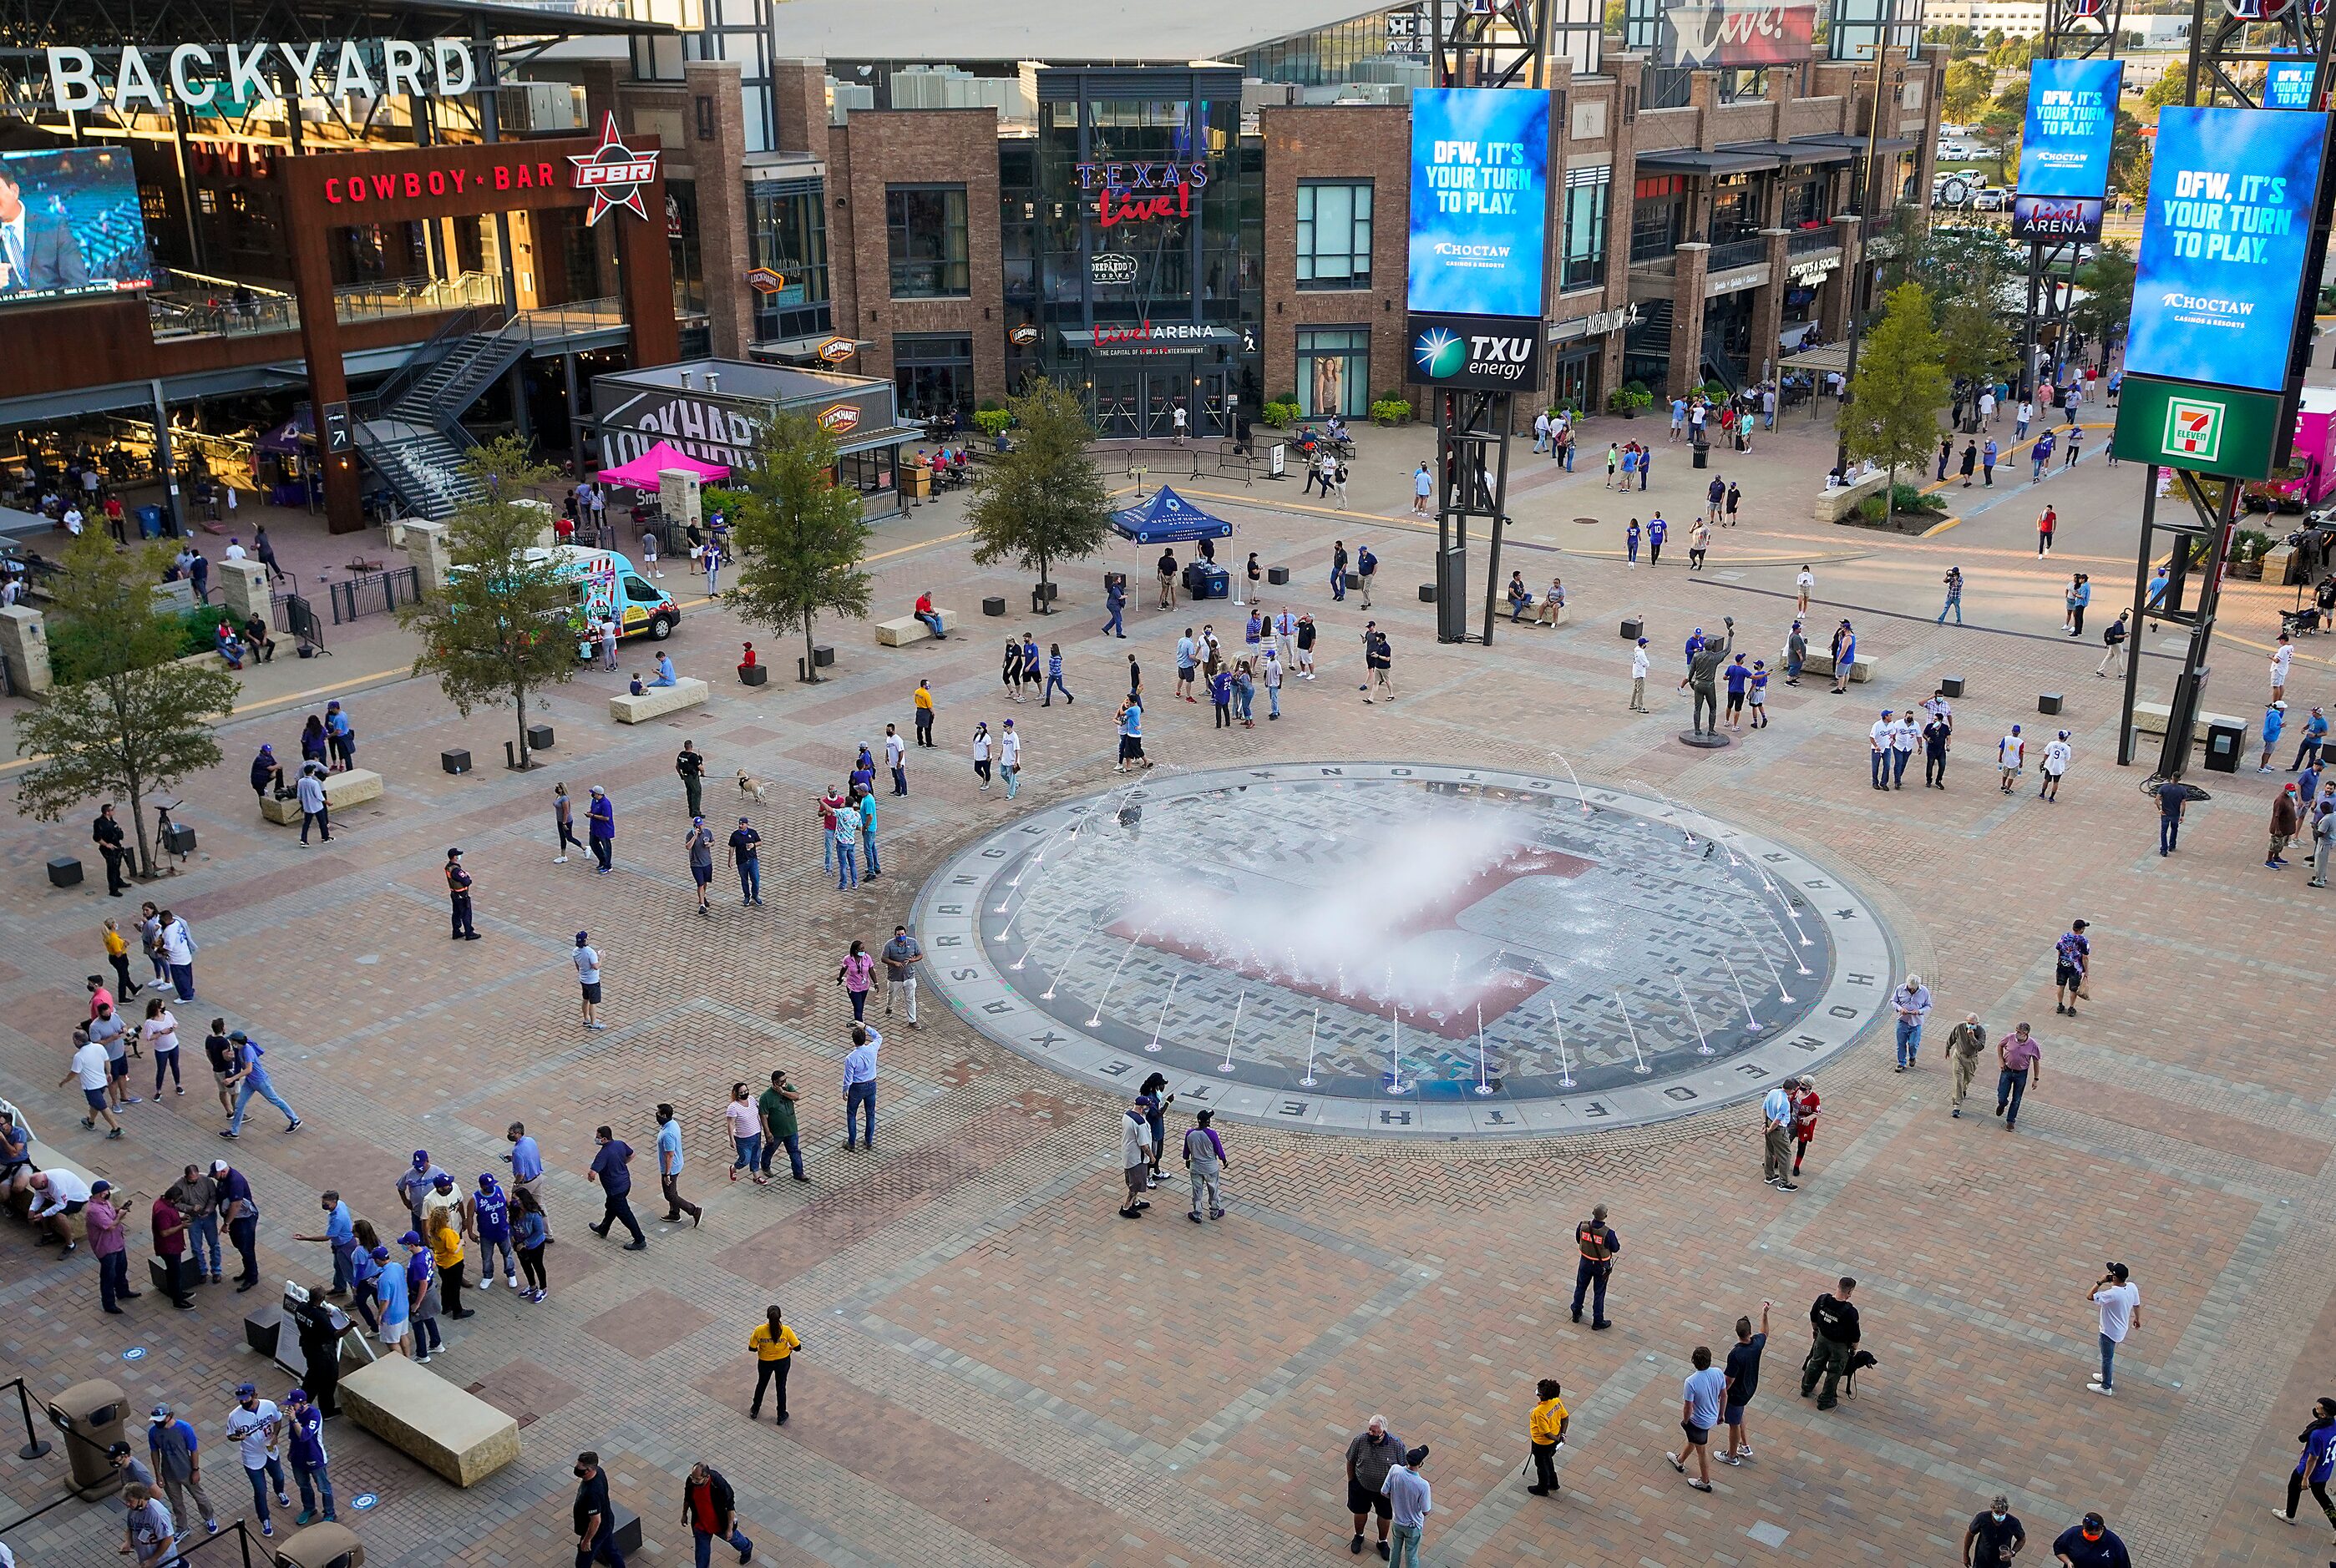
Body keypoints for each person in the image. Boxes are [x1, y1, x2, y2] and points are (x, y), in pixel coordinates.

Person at [224, 1383, 289, 1539]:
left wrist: (275, 1435)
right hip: (251, 1457)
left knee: (279, 1477)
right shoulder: (234, 1416)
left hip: (270, 1451)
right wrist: (237, 1438)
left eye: (247, 1399)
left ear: (255, 1395)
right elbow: (230, 1435)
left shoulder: (268, 1405)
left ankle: (280, 1493)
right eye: (241, 1399)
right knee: (260, 1490)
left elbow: (278, 1420)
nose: (243, 1402)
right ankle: (265, 1520)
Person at [145, 1404, 218, 1539]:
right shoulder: (153, 1432)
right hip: (168, 1473)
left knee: (199, 1497)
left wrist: (195, 1470)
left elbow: (194, 1450)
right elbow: (154, 1452)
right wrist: (158, 1473)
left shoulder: (184, 1428)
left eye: (160, 1419)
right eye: (155, 1420)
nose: (157, 1422)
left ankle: (209, 1518)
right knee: (176, 1503)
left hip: (187, 1470)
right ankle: (182, 1527)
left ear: (170, 1416)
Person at [1345, 1415, 1406, 1559]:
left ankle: (1382, 1541)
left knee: (1385, 1516)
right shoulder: (1360, 1440)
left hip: (1385, 1492)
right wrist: (1352, 1480)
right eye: (1370, 1430)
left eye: (1374, 1431)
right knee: (1359, 1512)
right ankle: (1359, 1536)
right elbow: (1350, 1461)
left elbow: (1402, 1469)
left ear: (1383, 1432)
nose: (1370, 1434)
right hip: (1361, 1487)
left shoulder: (1397, 1446)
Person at [1667, 1346, 1726, 1492]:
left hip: (1699, 1421)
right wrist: (1721, 1414)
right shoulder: (1718, 1372)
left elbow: (1688, 1407)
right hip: (1713, 1416)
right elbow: (1724, 1395)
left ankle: (1705, 1481)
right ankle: (1679, 1460)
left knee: (1702, 1450)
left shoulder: (1691, 1382)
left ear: (1693, 1361)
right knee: (1694, 1440)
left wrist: (1686, 1421)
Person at [2275, 1397, 2336, 1538]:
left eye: (2318, 1408)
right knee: (2322, 1498)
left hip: (2309, 1470)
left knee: (2293, 1485)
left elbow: (2312, 1459)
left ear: (2324, 1414)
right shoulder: (2333, 1425)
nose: (2315, 1409)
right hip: (2325, 1470)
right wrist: (2308, 1447)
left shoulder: (2317, 1434)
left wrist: (2305, 1478)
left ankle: (2290, 1514)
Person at [221, 1030, 300, 1139]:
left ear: (236, 1041)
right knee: (239, 1105)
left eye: (231, 1040)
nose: (230, 1041)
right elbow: (242, 1063)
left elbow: (249, 1069)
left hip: (261, 1082)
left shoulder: (247, 1050)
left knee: (275, 1100)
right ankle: (234, 1132)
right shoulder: (239, 1049)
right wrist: (232, 1058)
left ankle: (295, 1120)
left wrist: (232, 1079)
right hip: (250, 1082)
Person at [1720, 1302, 1771, 1465]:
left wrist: (1720, 1394)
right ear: (1750, 1332)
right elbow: (1765, 1332)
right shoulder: (1757, 1344)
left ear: (1737, 1333)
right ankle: (1745, 1445)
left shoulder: (1735, 1354)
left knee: (1733, 1424)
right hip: (1750, 1388)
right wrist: (1764, 1314)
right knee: (1739, 1414)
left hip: (1737, 1394)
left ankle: (1732, 1456)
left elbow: (1729, 1380)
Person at [1801, 1277, 1860, 1411]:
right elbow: (1855, 1335)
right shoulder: (1850, 1312)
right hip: (1839, 1346)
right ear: (1850, 1292)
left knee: (1816, 1363)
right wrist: (1853, 1349)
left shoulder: (1822, 1300)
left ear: (1838, 1286)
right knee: (1834, 1372)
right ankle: (1825, 1400)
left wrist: (1816, 1331)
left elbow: (1813, 1316)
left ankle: (1806, 1388)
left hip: (1822, 1339)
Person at [682, 1460, 755, 1567]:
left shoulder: (719, 1484)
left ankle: (747, 1547)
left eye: (697, 1479)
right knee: (701, 1556)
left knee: (735, 1539)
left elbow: (730, 1508)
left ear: (706, 1477)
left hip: (720, 1523)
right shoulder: (691, 1481)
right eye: (693, 1478)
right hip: (701, 1524)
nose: (694, 1481)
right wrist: (684, 1514)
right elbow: (687, 1498)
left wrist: (729, 1529)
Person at [587, 1125, 648, 1249]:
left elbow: (592, 1173)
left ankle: (639, 1239)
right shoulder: (620, 1144)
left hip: (615, 1190)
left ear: (604, 1139)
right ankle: (603, 1229)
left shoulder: (603, 1154)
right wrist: (621, 1163)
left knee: (625, 1214)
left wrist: (591, 1178)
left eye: (598, 1137)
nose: (596, 1139)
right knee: (610, 1207)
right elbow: (631, 1154)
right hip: (625, 1184)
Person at [2087, 1262, 2140, 1397]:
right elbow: (2137, 1304)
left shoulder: (2111, 1294)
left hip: (2108, 1331)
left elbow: (2090, 1296)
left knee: (2107, 1358)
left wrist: (2100, 1282)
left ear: (2114, 1277)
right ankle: (2106, 1376)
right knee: (2108, 1357)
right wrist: (2137, 1319)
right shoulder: (2132, 1287)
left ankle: (2106, 1386)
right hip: (2121, 1328)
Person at [283, 1388, 334, 1525]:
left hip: (314, 1457)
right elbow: (293, 1436)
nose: (290, 1407)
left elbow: (304, 1435)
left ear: (303, 1403)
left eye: (293, 1404)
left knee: (324, 1487)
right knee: (303, 1485)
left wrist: (294, 1420)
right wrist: (291, 1451)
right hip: (297, 1458)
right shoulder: (294, 1415)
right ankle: (309, 1509)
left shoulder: (314, 1415)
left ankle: (330, 1512)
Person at [748, 1304, 802, 1423]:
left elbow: (751, 1348)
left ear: (767, 1316)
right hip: (782, 1362)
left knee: (761, 1384)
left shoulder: (759, 1330)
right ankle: (781, 1415)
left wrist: (761, 1349)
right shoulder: (786, 1330)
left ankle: (755, 1409)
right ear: (780, 1317)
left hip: (765, 1362)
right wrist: (790, 1348)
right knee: (781, 1387)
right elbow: (798, 1347)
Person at [1382, 1444, 1431, 1567]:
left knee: (1395, 1551)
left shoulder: (1395, 1470)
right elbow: (1426, 1511)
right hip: (1413, 1526)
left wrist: (1397, 1498)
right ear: (1420, 1464)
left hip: (1397, 1521)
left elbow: (1384, 1491)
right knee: (1411, 1556)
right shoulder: (1423, 1485)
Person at [573, 1452, 625, 1567]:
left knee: (582, 1562)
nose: (576, 1468)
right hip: (607, 1522)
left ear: (589, 1469)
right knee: (611, 1551)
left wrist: (586, 1541)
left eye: (580, 1467)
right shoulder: (599, 1471)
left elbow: (595, 1520)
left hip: (596, 1531)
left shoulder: (592, 1493)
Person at [1571, 1204, 1619, 1328]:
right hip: (1601, 1265)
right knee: (1599, 1292)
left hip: (1585, 1262)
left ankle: (1576, 1312)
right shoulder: (1608, 1233)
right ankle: (1598, 1321)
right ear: (1605, 1216)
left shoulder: (1583, 1226)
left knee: (1580, 1287)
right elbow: (1615, 1248)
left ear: (1593, 1213)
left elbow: (1578, 1240)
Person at [656, 1103, 702, 1225]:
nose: (657, 1115)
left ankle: (694, 1210)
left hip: (671, 1167)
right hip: (677, 1163)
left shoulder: (667, 1134)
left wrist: (667, 1174)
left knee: (669, 1195)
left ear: (664, 1115)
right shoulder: (672, 1124)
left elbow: (669, 1155)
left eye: (658, 1113)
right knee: (672, 1191)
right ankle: (674, 1214)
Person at [759, 1070, 805, 1182]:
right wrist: (768, 1133)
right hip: (776, 1132)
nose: (785, 1082)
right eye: (782, 1081)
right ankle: (765, 1166)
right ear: (775, 1083)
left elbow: (796, 1096)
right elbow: (763, 1116)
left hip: (791, 1129)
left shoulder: (787, 1088)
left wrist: (783, 1092)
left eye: (786, 1080)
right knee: (770, 1149)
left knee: (794, 1151)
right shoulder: (766, 1097)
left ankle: (799, 1173)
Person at [1182, 1107, 1226, 1222]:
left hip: (1195, 1167)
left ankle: (1197, 1214)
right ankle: (1215, 1211)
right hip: (1210, 1167)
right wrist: (1224, 1160)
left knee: (1197, 1191)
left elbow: (1186, 1153)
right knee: (1213, 1189)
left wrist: (1187, 1160)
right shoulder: (1212, 1134)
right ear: (1207, 1122)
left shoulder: (1190, 1133)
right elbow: (1218, 1150)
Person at [1526, 1379, 1568, 1495]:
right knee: (1548, 1460)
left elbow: (1545, 1433)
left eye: (1538, 1390)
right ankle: (1553, 1483)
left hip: (1541, 1443)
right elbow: (1565, 1418)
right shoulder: (1556, 1401)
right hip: (1553, 1442)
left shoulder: (1538, 1412)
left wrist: (1556, 1438)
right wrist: (1562, 1435)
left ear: (1541, 1395)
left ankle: (1542, 1488)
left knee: (1541, 1465)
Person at [1997, 1021, 2042, 1129]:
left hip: (2021, 1074)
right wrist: (2000, 1060)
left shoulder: (2033, 1045)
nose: (2016, 1034)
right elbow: (2000, 1045)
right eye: (2016, 1031)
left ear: (2026, 1033)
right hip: (2007, 1071)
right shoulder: (2010, 1037)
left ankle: (2011, 1120)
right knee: (2001, 1095)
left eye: (2019, 1032)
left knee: (2017, 1098)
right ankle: (2002, 1104)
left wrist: (2036, 1079)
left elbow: (2036, 1061)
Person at [844, 1024, 880, 1151]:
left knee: (852, 1113)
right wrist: (866, 1026)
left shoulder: (850, 1058)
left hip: (857, 1087)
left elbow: (848, 1077)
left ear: (853, 1040)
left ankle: (852, 1142)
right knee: (870, 1113)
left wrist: (845, 1090)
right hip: (871, 1084)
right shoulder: (872, 1048)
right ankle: (869, 1140)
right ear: (865, 1038)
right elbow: (878, 1037)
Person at [1944, 1013, 1989, 1116]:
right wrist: (1947, 1048)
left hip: (1971, 1058)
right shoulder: (1960, 1027)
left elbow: (1980, 1047)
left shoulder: (1981, 1031)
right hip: (1959, 1056)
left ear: (1977, 1024)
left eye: (1972, 1024)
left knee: (1968, 1078)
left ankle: (1964, 1089)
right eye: (1968, 1023)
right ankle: (1957, 1105)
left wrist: (1972, 1037)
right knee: (1957, 1079)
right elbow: (1952, 1038)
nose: (1970, 1025)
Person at [1117, 1096, 1153, 1219]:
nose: (1148, 1109)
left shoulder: (1127, 1115)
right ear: (1141, 1107)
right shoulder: (1140, 1123)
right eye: (1146, 1107)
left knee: (1131, 1180)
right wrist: (1152, 1157)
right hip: (1137, 1159)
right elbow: (1144, 1145)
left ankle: (1135, 1202)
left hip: (1128, 1155)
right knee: (1135, 1185)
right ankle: (1126, 1208)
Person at [2053, 1510, 2131, 1568]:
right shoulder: (2072, 1534)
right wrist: (2068, 1562)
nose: (2088, 1535)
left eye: (2092, 1534)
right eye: (2086, 1532)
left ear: (2101, 1529)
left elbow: (2124, 1565)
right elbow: (2058, 1549)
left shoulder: (2114, 1543)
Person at [1966, 1496, 2026, 1566]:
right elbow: (1970, 1534)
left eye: (2003, 1512)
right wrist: (1966, 1555)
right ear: (1992, 1509)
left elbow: (2022, 1539)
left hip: (2001, 1563)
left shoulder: (2013, 1523)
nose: (2000, 1515)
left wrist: (2012, 1552)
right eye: (1997, 1512)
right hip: (1982, 1561)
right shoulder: (1982, 1518)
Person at [1761, 1076, 1799, 1190]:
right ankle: (1784, 1182)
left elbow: (1764, 1108)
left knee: (1769, 1150)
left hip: (1768, 1121)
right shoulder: (1784, 1103)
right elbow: (1778, 1121)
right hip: (1778, 1129)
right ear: (1791, 1090)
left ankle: (1769, 1176)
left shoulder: (1772, 1092)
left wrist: (1764, 1124)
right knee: (1785, 1155)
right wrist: (1770, 1130)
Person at [2054, 919, 2090, 1015]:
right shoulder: (2083, 940)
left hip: (2062, 965)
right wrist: (2086, 971)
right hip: (2075, 968)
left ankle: (2060, 1005)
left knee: (2061, 986)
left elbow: (2059, 950)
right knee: (2073, 989)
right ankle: (2071, 1008)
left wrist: (2059, 961)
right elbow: (2085, 957)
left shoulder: (2064, 936)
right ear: (2081, 929)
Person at [575, 931, 606, 1031]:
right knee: (593, 1002)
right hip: (592, 981)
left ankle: (586, 1019)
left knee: (585, 999)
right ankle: (593, 1023)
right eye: (588, 938)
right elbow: (596, 967)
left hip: (583, 980)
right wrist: (601, 958)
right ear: (585, 940)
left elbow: (577, 966)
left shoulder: (575, 951)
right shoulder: (590, 952)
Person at [729, 817, 763, 907]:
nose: (740, 826)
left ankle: (755, 895)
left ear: (747, 824)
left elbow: (759, 842)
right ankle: (746, 896)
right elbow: (732, 847)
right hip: (741, 861)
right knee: (744, 880)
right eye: (739, 824)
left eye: (742, 824)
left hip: (752, 860)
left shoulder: (752, 832)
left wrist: (753, 845)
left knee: (755, 879)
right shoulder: (735, 835)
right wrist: (730, 860)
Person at [587, 787, 616, 875]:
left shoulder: (605, 804)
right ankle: (602, 861)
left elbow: (606, 817)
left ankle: (608, 866)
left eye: (594, 793)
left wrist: (593, 816)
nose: (592, 795)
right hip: (595, 828)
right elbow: (592, 809)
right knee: (593, 844)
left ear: (599, 794)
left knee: (606, 847)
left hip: (604, 829)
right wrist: (590, 812)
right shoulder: (594, 801)